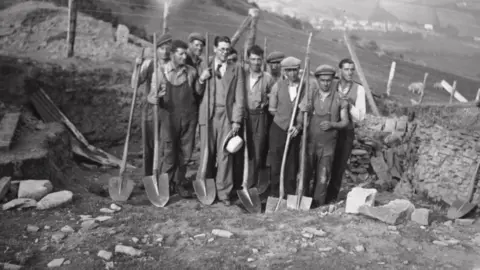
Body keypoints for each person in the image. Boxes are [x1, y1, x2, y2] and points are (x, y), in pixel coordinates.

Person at [145, 40, 210, 198]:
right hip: (168, 118)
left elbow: (198, 93)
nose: (183, 56)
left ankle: (179, 183)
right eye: (180, 53)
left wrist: (201, 80)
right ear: (172, 54)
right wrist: (154, 97)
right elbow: (151, 97)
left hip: (189, 117)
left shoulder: (191, 72)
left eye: (184, 53)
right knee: (169, 152)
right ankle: (165, 185)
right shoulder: (161, 71)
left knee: (185, 153)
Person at [198, 36, 245, 206]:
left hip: (226, 116)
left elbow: (239, 97)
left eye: (227, 49)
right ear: (215, 49)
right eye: (222, 49)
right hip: (207, 115)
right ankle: (205, 187)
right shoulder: (206, 65)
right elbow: (197, 90)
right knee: (206, 152)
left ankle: (224, 192)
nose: (225, 52)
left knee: (224, 154)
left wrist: (236, 121)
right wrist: (202, 79)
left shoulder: (236, 69)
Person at [301, 65, 349, 207]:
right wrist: (304, 111)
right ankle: (302, 204)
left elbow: (345, 122)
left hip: (328, 146)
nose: (326, 83)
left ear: (333, 80)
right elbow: (300, 120)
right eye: (323, 80)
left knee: (322, 178)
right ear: (317, 80)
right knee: (305, 174)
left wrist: (333, 125)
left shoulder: (339, 98)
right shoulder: (311, 96)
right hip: (310, 143)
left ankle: (317, 206)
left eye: (329, 80)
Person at [132, 33, 172, 180]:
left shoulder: (172, 66)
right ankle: (148, 177)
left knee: (164, 146)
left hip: (167, 111)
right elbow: (135, 84)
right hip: (150, 110)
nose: (165, 52)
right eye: (162, 48)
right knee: (149, 146)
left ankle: (162, 177)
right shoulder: (149, 64)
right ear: (156, 49)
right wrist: (137, 66)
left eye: (168, 48)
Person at [327, 58, 366, 203]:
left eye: (352, 70)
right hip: (330, 130)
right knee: (325, 163)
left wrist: (349, 105)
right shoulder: (332, 85)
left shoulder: (359, 90)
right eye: (346, 69)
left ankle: (331, 198)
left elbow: (360, 117)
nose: (350, 72)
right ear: (340, 71)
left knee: (339, 166)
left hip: (346, 133)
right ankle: (319, 195)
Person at [268, 56, 306, 197]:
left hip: (295, 131)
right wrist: (283, 120)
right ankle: (275, 194)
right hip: (278, 129)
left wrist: (298, 126)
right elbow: (272, 109)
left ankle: (289, 195)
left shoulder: (305, 87)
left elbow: (304, 109)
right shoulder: (278, 86)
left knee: (292, 164)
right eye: (289, 70)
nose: (292, 74)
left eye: (295, 70)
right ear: (284, 71)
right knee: (276, 163)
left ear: (299, 70)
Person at [243, 44, 276, 188]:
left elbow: (274, 97)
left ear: (262, 61)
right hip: (244, 117)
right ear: (248, 60)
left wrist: (267, 101)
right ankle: (241, 182)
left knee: (258, 150)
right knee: (243, 150)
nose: (256, 62)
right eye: (253, 59)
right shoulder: (242, 77)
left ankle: (254, 184)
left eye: (259, 59)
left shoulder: (267, 78)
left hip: (260, 117)